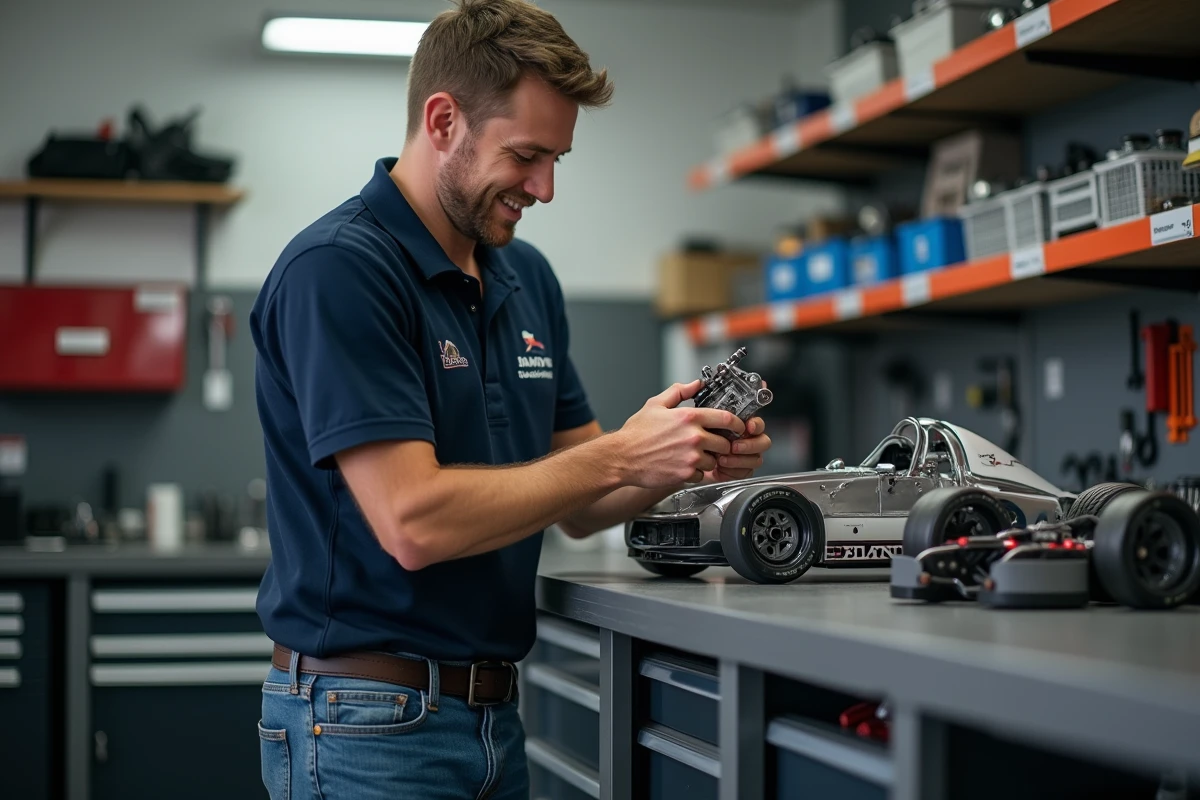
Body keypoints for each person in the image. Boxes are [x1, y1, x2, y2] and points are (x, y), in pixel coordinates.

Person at [248, 1, 773, 797]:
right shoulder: (341, 270)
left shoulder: (526, 280)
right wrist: (621, 452)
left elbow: (583, 497)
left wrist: (678, 455)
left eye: (558, 158)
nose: (546, 188)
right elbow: (413, 521)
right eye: (527, 155)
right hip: (362, 723)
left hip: (493, 719)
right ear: (443, 120)